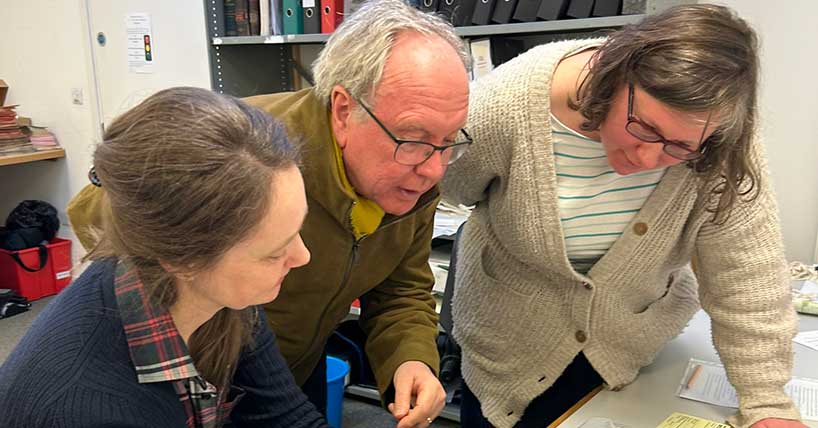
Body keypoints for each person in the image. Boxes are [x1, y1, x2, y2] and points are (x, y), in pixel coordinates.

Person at [65, 1, 471, 426]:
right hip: (201, 381)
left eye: (449, 140)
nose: (434, 168)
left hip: (294, 367)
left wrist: (410, 359)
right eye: (412, 138)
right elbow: (97, 212)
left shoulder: (416, 169)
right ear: (344, 110)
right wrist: (199, 330)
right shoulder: (249, 157)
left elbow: (400, 287)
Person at [441, 5, 805, 428]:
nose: (649, 158)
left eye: (680, 146)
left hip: (627, 345)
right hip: (505, 345)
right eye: (644, 127)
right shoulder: (505, 106)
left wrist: (767, 405)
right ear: (612, 78)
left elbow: (747, 277)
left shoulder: (717, 136)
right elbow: (442, 187)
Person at [0, 87, 327, 428]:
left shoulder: (218, 295)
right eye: (274, 252)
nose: (302, 256)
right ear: (185, 258)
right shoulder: (86, 407)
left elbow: (286, 417)